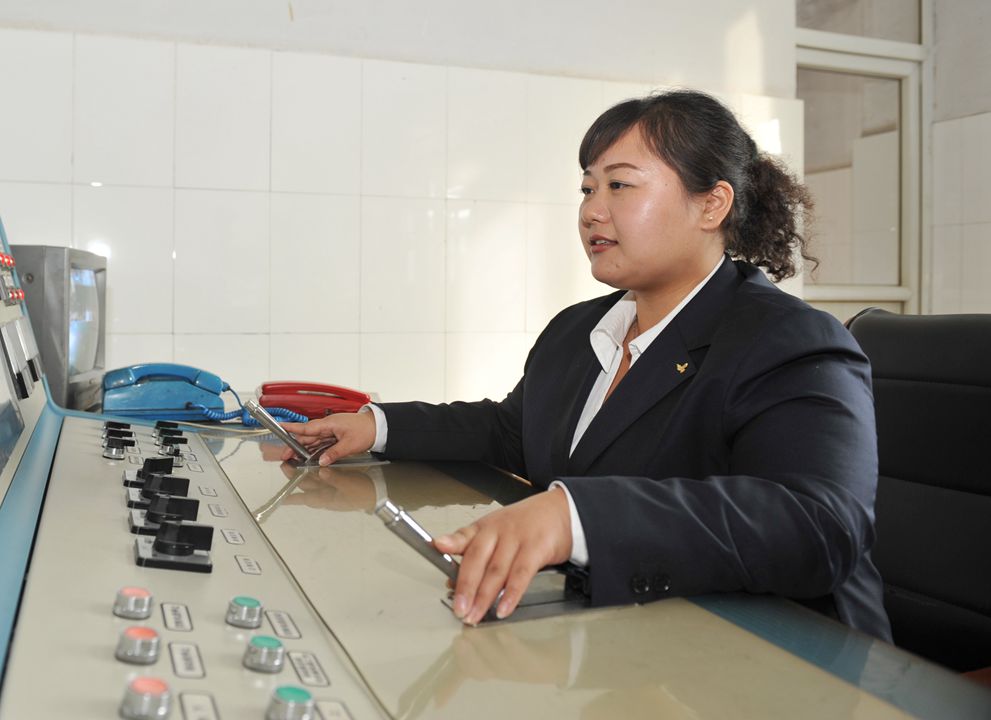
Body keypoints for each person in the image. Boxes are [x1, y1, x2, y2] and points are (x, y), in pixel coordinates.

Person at [281, 89, 892, 640]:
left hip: (787, 660)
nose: (592, 211)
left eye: (619, 186)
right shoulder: (580, 330)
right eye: (587, 189)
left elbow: (818, 524)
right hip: (636, 637)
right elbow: (511, 431)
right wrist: (378, 425)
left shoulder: (790, 340)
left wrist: (575, 517)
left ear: (711, 205)